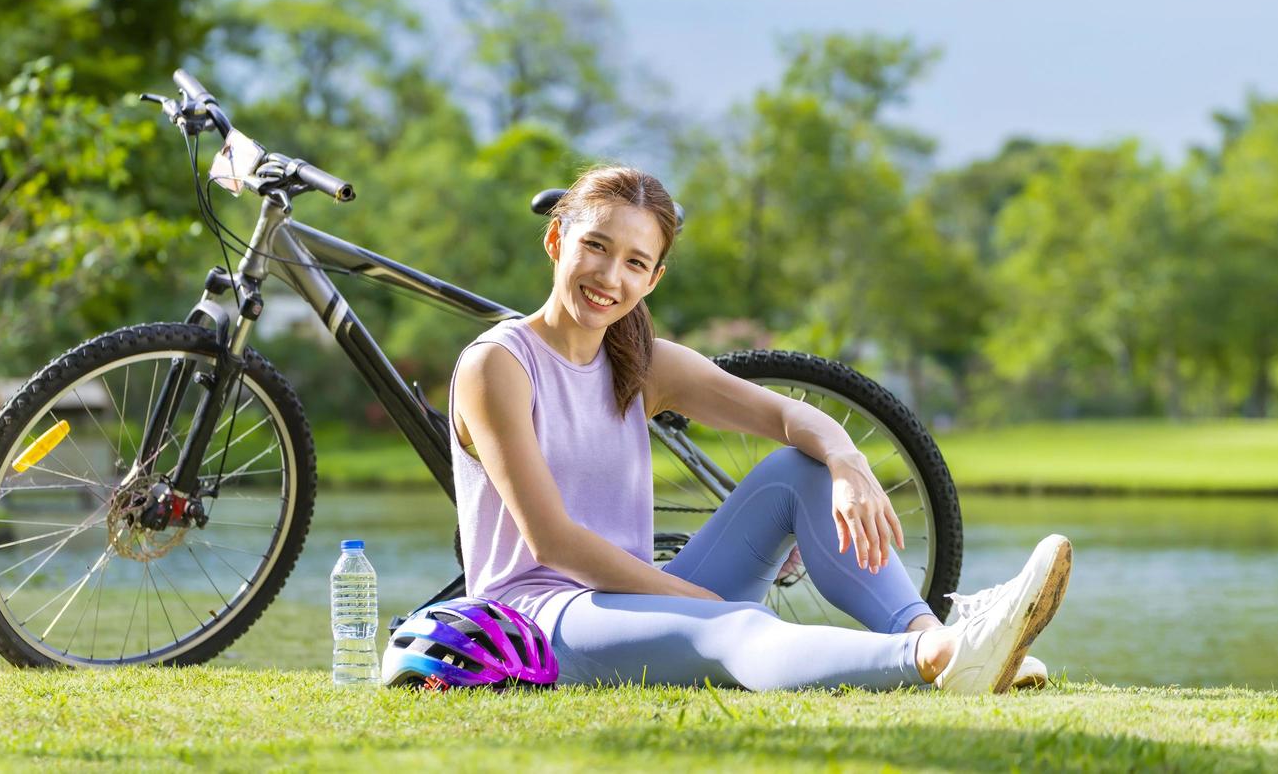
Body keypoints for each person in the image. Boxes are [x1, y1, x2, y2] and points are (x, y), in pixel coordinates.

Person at [447, 165, 1071, 693]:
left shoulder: (639, 362)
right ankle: (938, 661)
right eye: (596, 247)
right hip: (538, 623)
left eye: (636, 262)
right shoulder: (498, 365)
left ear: (654, 278)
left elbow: (788, 417)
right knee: (735, 627)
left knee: (800, 469)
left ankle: (934, 636)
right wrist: (692, 601)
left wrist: (848, 465)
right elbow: (553, 542)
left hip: (632, 601)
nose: (611, 278)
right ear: (557, 239)